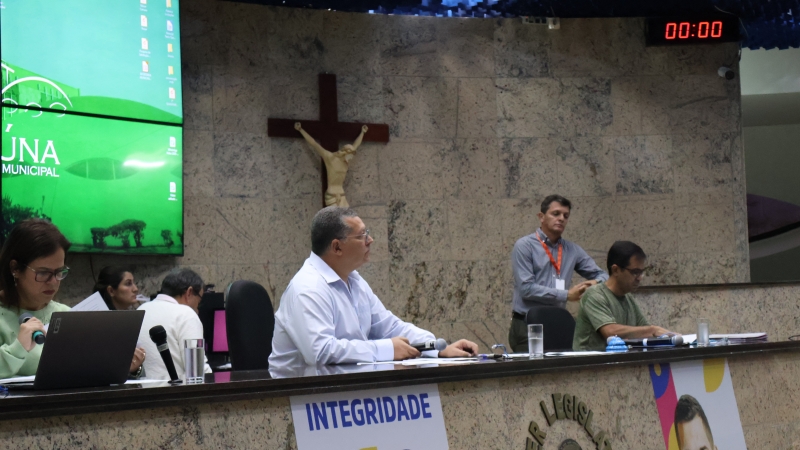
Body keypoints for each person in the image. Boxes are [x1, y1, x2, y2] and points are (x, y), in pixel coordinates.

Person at [269, 206, 479, 369]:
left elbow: (389, 327)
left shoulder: (354, 280)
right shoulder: (308, 288)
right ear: (337, 247)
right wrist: (386, 349)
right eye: (362, 235)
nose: (370, 240)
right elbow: (321, 352)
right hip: (296, 401)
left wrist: (437, 348)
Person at [509, 194, 609, 352]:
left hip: (557, 323)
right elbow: (526, 288)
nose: (561, 218)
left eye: (565, 216)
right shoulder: (525, 246)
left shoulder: (572, 250)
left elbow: (604, 276)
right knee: (535, 368)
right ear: (541, 217)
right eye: (556, 214)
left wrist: (595, 282)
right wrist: (566, 295)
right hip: (528, 324)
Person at [0, 219, 72, 378]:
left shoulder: (67, 315)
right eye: (43, 273)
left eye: (59, 272)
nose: (53, 281)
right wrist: (18, 347)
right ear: (15, 269)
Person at [572, 241, 676, 351]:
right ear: (616, 270)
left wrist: (668, 336)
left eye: (641, 272)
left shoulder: (628, 297)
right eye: (635, 272)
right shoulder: (594, 295)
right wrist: (652, 330)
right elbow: (610, 332)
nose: (640, 278)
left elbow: (645, 330)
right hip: (591, 360)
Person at [137, 268, 211, 380]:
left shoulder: (141, 310)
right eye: (199, 301)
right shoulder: (186, 314)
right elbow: (197, 371)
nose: (198, 309)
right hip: (175, 389)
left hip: (142, 389)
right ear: (189, 292)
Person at [295, 122, 367, 207]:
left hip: (342, 195)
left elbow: (356, 145)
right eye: (350, 155)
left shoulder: (346, 161)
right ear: (345, 152)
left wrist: (362, 132)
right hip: (332, 195)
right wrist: (301, 130)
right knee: (334, 215)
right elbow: (314, 143)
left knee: (348, 214)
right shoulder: (330, 157)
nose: (351, 158)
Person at [92, 266, 146, 377]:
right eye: (128, 283)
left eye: (134, 283)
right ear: (111, 291)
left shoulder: (127, 323)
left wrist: (135, 368)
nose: (135, 289)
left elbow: (136, 372)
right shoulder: (98, 325)